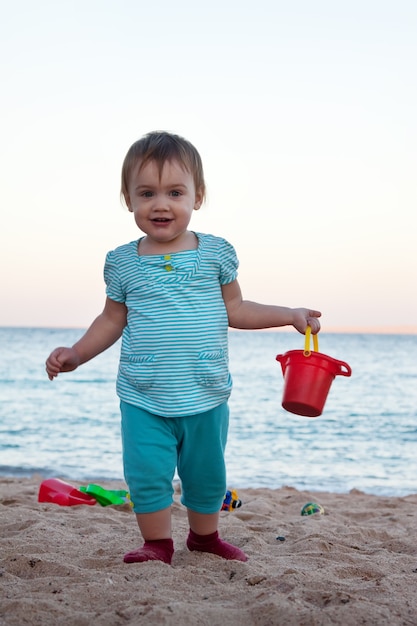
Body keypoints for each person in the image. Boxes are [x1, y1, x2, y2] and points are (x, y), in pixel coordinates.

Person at [45, 131, 321, 565]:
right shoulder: (122, 261)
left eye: (175, 192)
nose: (161, 204)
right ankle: (157, 544)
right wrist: (77, 353)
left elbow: (237, 308)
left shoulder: (214, 253)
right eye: (147, 193)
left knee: (207, 475)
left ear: (198, 196)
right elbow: (111, 319)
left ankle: (205, 538)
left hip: (205, 392)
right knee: (146, 474)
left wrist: (289, 314)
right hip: (144, 393)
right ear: (128, 198)